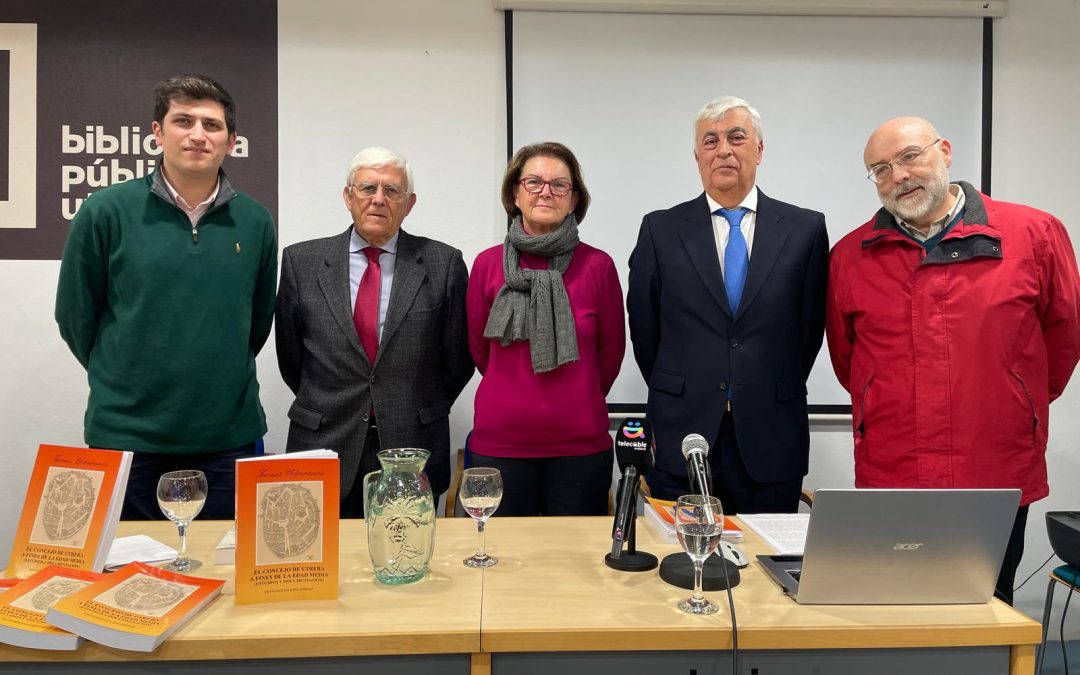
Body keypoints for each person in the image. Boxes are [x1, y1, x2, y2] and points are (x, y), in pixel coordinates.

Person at [826, 116, 1080, 604]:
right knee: (895, 611)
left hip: (994, 467)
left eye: (909, 156)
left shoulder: (1035, 234)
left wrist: (1012, 398)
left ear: (944, 151)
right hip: (893, 470)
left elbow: (1062, 340)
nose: (898, 175)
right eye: (879, 169)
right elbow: (848, 360)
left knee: (988, 609)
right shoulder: (849, 257)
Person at [55, 74, 277, 520]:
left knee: (224, 578)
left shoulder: (255, 221)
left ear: (231, 140)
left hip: (227, 438)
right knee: (130, 579)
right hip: (128, 437)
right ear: (157, 133)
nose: (198, 134)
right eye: (183, 121)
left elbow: (255, 323)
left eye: (212, 125)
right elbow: (76, 316)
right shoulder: (105, 211)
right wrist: (125, 373)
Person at [627, 96, 829, 513]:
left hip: (771, 432)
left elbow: (809, 330)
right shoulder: (660, 230)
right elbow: (645, 330)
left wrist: (761, 381)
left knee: (767, 568)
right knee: (680, 565)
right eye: (710, 140)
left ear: (758, 149)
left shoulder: (805, 229)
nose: (723, 150)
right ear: (696, 156)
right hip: (683, 430)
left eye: (736, 137)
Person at [275, 147, 473, 517]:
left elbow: (458, 359)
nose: (378, 199)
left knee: (409, 561)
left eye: (392, 190)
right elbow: (292, 357)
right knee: (325, 564)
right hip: (324, 438)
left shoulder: (442, 263)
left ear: (409, 203)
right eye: (367, 188)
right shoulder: (301, 262)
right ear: (348, 196)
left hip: (412, 443)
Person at [467, 142, 625, 516]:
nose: (545, 192)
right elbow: (477, 349)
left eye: (559, 185)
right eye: (534, 181)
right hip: (500, 445)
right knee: (503, 566)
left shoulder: (598, 266)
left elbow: (610, 354)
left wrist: (575, 396)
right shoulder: (487, 265)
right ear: (515, 194)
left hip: (580, 449)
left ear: (574, 201)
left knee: (576, 569)